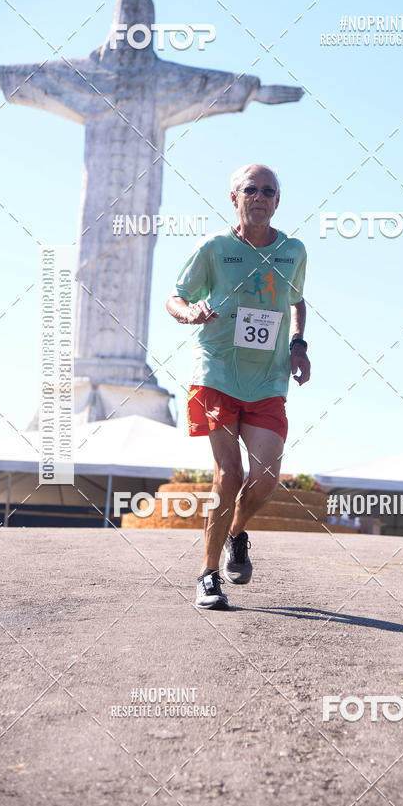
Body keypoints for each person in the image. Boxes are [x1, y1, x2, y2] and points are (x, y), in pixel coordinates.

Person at [166, 164, 311, 608]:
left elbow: (297, 299)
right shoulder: (213, 247)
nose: (260, 197)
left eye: (269, 191)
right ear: (235, 199)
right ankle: (208, 576)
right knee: (229, 474)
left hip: (268, 377)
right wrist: (188, 313)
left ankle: (235, 533)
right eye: (251, 190)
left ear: (277, 201)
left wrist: (298, 344)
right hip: (216, 372)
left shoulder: (293, 250)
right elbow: (176, 297)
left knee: (266, 476)